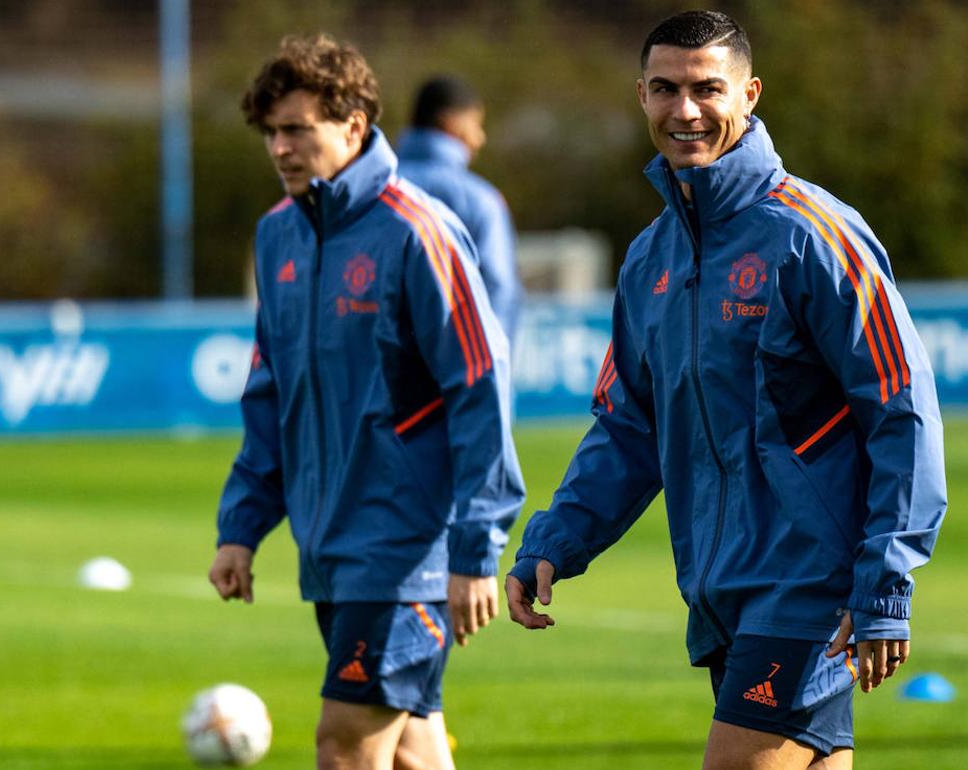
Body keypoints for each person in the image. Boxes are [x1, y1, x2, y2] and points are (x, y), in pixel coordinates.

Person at [506, 11, 945, 770]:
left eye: (708, 88)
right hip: (718, 588)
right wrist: (557, 539)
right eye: (666, 89)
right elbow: (627, 428)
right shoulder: (649, 260)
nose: (686, 110)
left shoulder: (813, 235)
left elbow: (900, 411)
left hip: (810, 582)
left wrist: (886, 579)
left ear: (749, 94)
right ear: (641, 95)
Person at [210, 34, 524, 770]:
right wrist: (243, 524)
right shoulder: (277, 235)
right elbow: (271, 393)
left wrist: (476, 548)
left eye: (298, 130)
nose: (281, 149)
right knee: (414, 753)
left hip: (406, 548)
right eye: (272, 133)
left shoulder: (417, 229)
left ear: (353, 126)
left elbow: (479, 386)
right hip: (331, 544)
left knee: (345, 746)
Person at [397, 76, 524, 346]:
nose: (480, 138)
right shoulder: (479, 200)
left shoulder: (373, 189)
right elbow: (498, 291)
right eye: (476, 124)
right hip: (455, 374)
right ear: (451, 123)